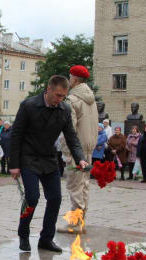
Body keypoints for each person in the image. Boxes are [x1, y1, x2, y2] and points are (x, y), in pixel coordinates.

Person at [9, 75, 87, 252]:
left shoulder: (64, 109)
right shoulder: (29, 105)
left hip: (49, 158)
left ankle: (46, 239)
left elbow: (71, 137)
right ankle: (23, 234)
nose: (61, 99)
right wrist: (14, 164)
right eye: (58, 95)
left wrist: (80, 158)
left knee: (55, 198)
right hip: (28, 158)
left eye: (63, 96)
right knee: (32, 198)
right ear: (48, 90)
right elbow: (16, 135)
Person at [61, 65, 98, 229]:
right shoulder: (91, 100)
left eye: (70, 78)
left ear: (74, 79)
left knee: (75, 186)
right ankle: (81, 219)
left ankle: (76, 223)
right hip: (88, 148)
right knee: (83, 186)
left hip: (76, 150)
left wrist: (66, 151)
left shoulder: (73, 100)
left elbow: (70, 129)